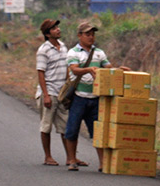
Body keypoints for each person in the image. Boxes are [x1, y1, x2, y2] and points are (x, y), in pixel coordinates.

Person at [64, 20, 130, 171]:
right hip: (79, 97)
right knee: (72, 129)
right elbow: (74, 70)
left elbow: (109, 68)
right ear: (79, 36)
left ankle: (103, 163)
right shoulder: (73, 53)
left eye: (92, 34)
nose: (91, 37)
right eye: (87, 34)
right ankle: (72, 160)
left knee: (98, 132)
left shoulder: (99, 53)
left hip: (95, 98)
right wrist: (89, 69)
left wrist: (120, 70)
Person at [35, 18, 71, 167]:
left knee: (65, 126)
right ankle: (47, 156)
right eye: (54, 28)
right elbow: (41, 73)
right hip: (49, 91)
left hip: (61, 93)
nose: (58, 30)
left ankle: (70, 157)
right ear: (48, 33)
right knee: (46, 126)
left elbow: (67, 69)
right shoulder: (44, 50)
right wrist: (46, 95)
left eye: (58, 27)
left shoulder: (63, 47)